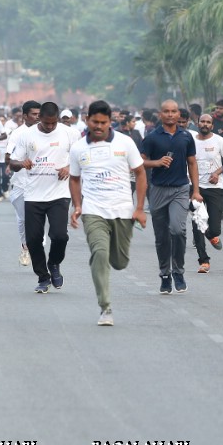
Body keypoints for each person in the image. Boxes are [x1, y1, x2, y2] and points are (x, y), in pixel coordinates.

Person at [69, 100, 148, 325]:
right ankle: (105, 308)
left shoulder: (126, 142)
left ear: (110, 122)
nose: (99, 126)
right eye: (95, 122)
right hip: (93, 210)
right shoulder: (78, 148)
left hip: (122, 210)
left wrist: (140, 208)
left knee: (119, 262)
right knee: (100, 254)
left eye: (104, 122)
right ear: (87, 120)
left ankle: (116, 258)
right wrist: (77, 206)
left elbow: (140, 173)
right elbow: (74, 179)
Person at [10, 102, 79, 292]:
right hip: (33, 194)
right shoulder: (27, 135)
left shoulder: (69, 134)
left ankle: (54, 264)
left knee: (60, 236)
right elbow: (13, 163)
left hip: (59, 194)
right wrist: (21, 163)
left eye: (53, 123)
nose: (50, 127)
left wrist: (68, 168)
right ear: (39, 117)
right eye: (46, 123)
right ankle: (43, 276)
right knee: (33, 240)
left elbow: (80, 159)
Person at [141, 100, 202, 293]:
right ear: (160, 114)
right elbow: (140, 162)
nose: (170, 114)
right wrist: (157, 162)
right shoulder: (152, 137)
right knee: (162, 237)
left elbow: (192, 163)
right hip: (158, 189)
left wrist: (196, 190)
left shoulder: (186, 136)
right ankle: (165, 275)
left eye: (173, 111)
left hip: (180, 189)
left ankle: (178, 271)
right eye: (166, 111)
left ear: (178, 115)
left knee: (177, 230)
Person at [191, 113, 223, 273]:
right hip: (195, 188)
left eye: (208, 122)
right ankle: (204, 261)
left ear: (212, 126)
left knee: (214, 228)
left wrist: (217, 173)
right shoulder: (191, 141)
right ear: (198, 123)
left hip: (215, 187)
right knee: (197, 224)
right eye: (202, 121)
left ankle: (211, 235)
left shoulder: (219, 141)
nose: (205, 124)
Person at [6, 101, 41, 265]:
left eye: (39, 114)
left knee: (40, 218)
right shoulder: (17, 134)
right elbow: (10, 157)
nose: (37, 117)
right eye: (34, 114)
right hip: (21, 183)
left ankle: (37, 247)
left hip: (42, 183)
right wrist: (16, 165)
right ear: (25, 115)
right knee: (23, 219)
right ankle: (26, 247)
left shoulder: (47, 132)